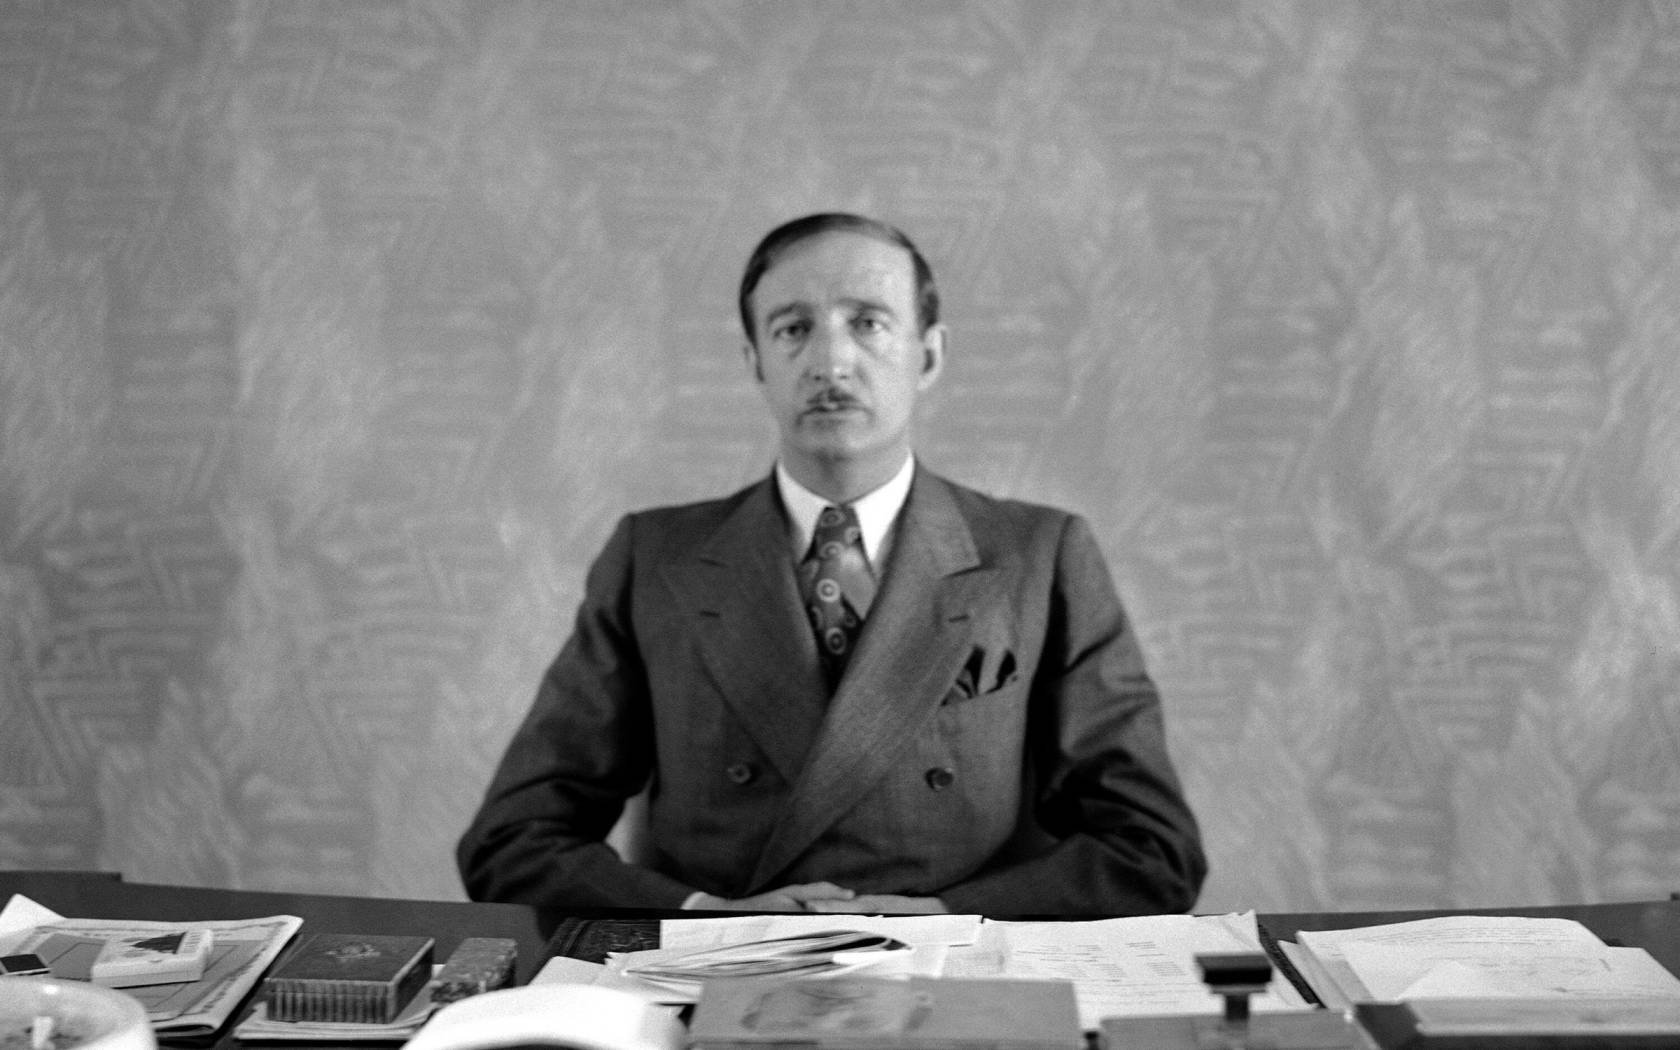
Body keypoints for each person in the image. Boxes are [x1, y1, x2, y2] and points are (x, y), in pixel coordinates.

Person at [456, 212, 1206, 915]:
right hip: (714, 986)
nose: (831, 360)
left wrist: (948, 920)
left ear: (930, 355)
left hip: (963, 986)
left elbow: (1152, 850)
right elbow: (512, 840)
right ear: (754, 361)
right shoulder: (656, 560)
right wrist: (705, 920)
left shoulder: (1040, 557)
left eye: (869, 323)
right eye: (793, 329)